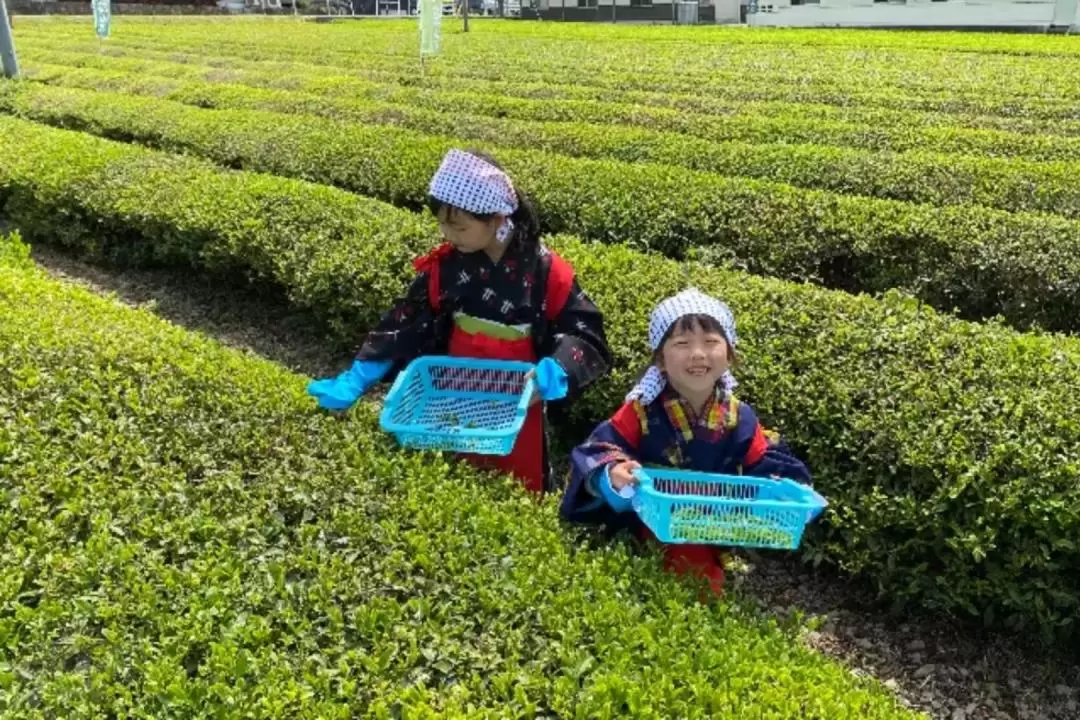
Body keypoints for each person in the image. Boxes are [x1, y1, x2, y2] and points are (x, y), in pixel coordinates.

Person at [308, 148, 612, 494]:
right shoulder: (447, 267)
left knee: (516, 486)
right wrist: (360, 375)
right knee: (455, 479)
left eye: (459, 225)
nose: (447, 234)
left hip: (516, 401)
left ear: (496, 219)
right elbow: (407, 321)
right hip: (453, 389)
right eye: (441, 223)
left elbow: (584, 331)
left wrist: (556, 369)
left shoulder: (547, 272)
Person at [560, 289, 810, 595]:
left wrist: (789, 487)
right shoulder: (640, 411)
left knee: (701, 595)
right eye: (682, 343)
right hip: (643, 529)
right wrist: (612, 471)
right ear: (660, 359)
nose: (698, 353)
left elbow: (767, 461)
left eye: (711, 342)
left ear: (730, 354)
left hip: (708, 532)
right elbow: (600, 447)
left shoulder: (739, 417)